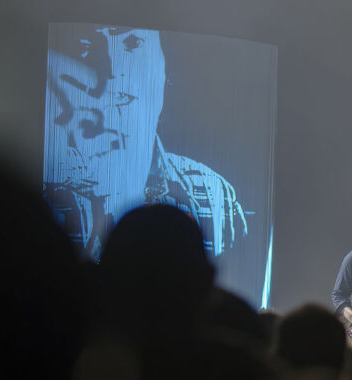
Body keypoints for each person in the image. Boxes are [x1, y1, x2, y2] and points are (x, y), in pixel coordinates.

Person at [43, 24, 247, 259]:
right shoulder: (44, 200)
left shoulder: (214, 194)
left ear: (165, 74)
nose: (112, 67)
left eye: (132, 44)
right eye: (85, 47)